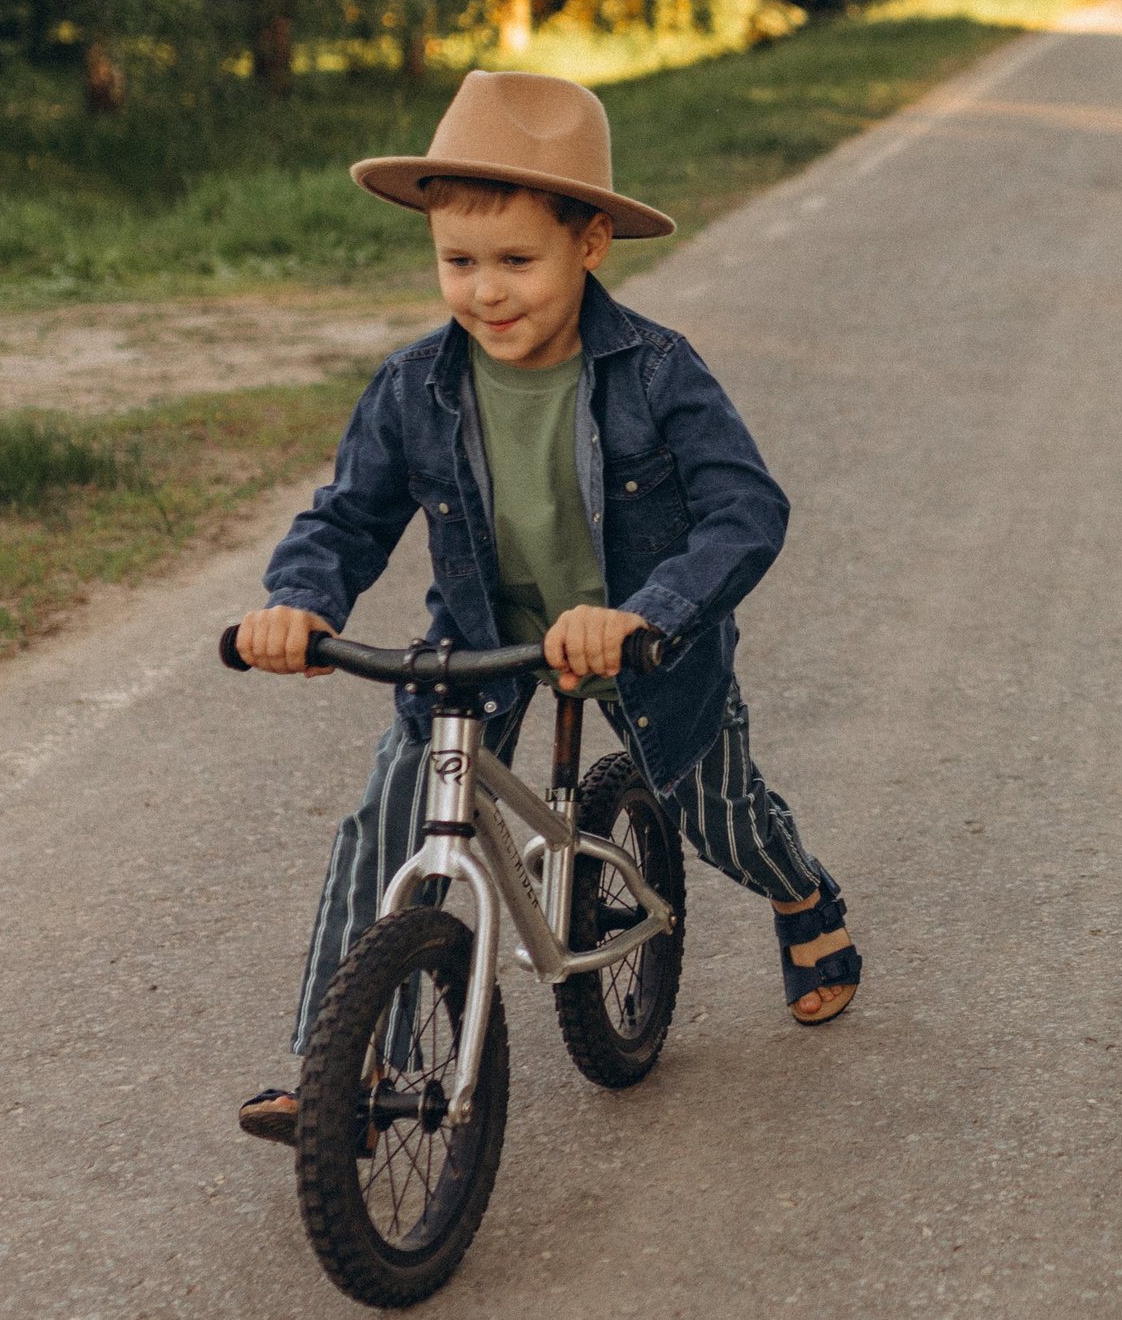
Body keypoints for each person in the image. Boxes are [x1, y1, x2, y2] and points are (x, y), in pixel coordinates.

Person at [230, 69, 860, 1147]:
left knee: (720, 815)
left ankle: (801, 894)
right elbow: (347, 517)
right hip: (484, 640)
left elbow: (745, 509)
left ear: (590, 246)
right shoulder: (413, 385)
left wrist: (650, 610)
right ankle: (338, 1067)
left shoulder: (656, 372)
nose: (486, 292)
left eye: (516, 261)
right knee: (387, 826)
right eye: (458, 263)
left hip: (641, 640)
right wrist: (295, 602)